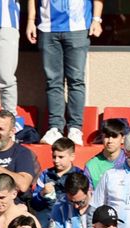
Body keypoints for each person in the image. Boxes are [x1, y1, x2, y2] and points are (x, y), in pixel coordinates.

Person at [25, 0, 100, 144]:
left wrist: (96, 19)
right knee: (53, 81)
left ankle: (75, 128)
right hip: (47, 27)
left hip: (77, 26)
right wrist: (30, 21)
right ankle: (55, 128)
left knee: (76, 80)